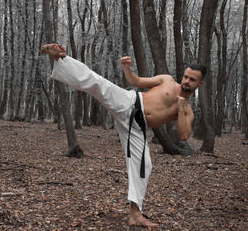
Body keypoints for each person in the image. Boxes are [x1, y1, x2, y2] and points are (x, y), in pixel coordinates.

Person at [41, 43, 206, 228]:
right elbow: (135, 82)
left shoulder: (188, 110)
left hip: (136, 128)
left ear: (199, 83)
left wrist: (182, 108)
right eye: (185, 76)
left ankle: (135, 214)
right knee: (98, 83)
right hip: (129, 103)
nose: (186, 81)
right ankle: (59, 58)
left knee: (145, 165)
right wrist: (127, 69)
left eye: (192, 80)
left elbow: (184, 136)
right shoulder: (167, 80)